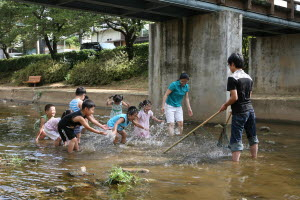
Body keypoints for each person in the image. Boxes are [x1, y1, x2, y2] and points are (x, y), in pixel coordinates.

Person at [219, 53, 259, 162]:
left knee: (236, 139)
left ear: (232, 64)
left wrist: (225, 105)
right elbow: (248, 96)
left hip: (240, 112)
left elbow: (235, 97)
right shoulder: (249, 77)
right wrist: (233, 108)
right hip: (250, 110)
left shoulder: (232, 78)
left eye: (229, 65)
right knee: (252, 136)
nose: (229, 68)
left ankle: (235, 166)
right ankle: (254, 159)